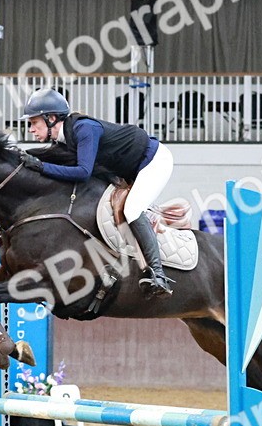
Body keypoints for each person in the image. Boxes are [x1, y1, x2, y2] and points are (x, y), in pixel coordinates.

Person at [17, 87, 174, 298]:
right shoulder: (65, 139)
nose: (31, 130)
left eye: (34, 123)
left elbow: (83, 172)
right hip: (132, 168)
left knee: (133, 209)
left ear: (51, 118)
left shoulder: (84, 129)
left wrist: (40, 167)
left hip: (154, 161)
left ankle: (158, 274)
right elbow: (51, 157)